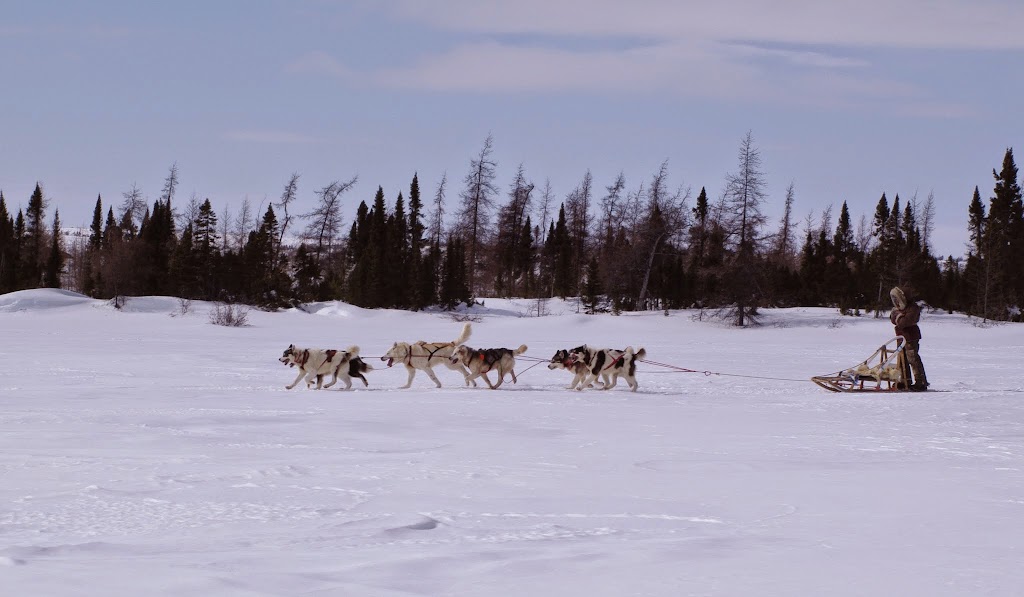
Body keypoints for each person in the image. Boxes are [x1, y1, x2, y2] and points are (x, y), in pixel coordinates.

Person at [889, 286, 929, 391]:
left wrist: (899, 317)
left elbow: (904, 322)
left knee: (913, 359)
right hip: (901, 337)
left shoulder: (913, 308)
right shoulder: (899, 309)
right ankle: (904, 380)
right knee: (901, 360)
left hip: (911, 337)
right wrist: (899, 316)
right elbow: (893, 318)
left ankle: (921, 382)